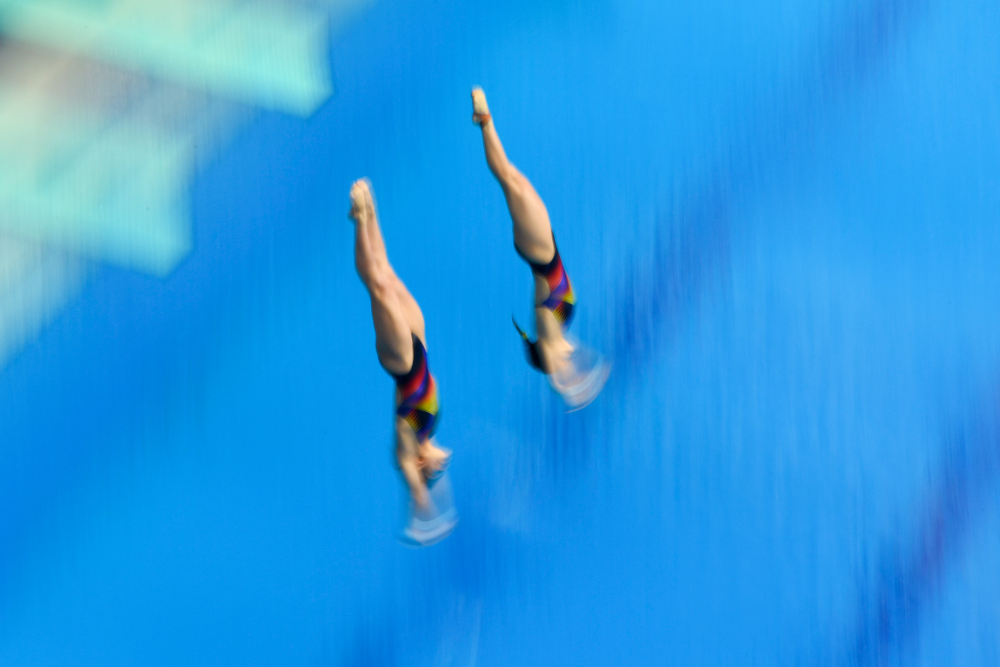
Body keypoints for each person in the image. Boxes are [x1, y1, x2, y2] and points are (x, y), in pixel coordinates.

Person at [471, 88, 609, 409]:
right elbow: (568, 357)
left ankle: (484, 120)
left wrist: (573, 386)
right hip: (543, 246)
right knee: (514, 179)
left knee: (509, 178)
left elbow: (559, 375)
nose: (570, 362)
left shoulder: (549, 332)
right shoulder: (561, 333)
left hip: (538, 251)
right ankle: (485, 119)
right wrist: (590, 373)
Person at [348, 179, 451, 513]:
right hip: (419, 342)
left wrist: (423, 503)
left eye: (433, 473)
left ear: (420, 468)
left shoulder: (408, 449)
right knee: (386, 275)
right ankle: (371, 212)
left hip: (401, 362)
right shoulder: (431, 428)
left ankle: (361, 218)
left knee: (378, 286)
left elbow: (408, 470)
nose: (442, 467)